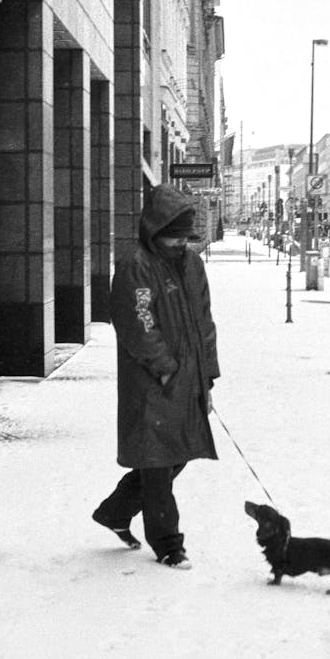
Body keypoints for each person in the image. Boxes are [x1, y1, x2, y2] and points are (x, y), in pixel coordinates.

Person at [92, 184, 220, 569]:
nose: (182, 243)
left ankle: (115, 511)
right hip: (152, 382)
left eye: (186, 235)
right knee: (159, 460)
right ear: (155, 230)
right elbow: (138, 323)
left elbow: (204, 322)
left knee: (171, 455)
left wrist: (207, 376)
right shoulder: (137, 266)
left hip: (188, 377)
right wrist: (164, 368)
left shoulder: (193, 265)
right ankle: (168, 544)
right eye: (174, 235)